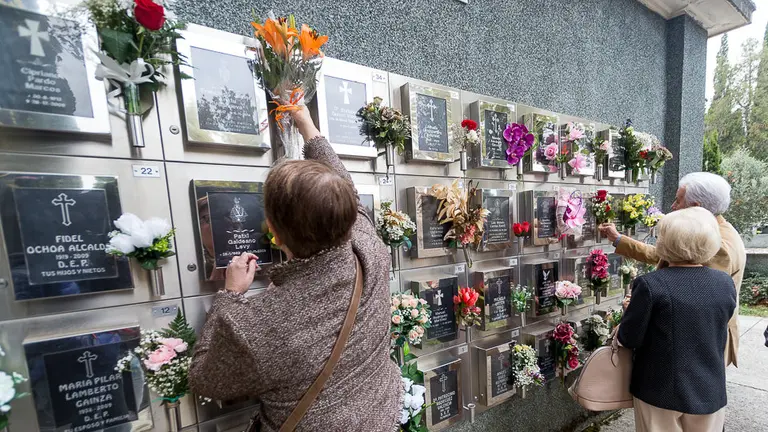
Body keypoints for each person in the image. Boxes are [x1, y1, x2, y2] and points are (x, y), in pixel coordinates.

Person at [188, 106, 402, 431]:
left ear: (272, 230)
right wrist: (306, 124)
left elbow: (206, 378)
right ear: (345, 215)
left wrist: (230, 296)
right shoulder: (369, 249)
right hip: (379, 418)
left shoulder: (263, 324)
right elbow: (345, 188)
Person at [599, 172, 745, 367]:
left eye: (678, 200)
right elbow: (665, 256)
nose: (673, 206)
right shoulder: (710, 230)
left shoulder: (719, 246)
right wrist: (619, 240)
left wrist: (642, 307)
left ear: (695, 207)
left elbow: (690, 304)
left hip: (694, 350)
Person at [618, 207, 736, 432]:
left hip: (658, 390)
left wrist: (629, 312)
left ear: (666, 242)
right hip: (709, 389)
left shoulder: (651, 284)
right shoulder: (724, 283)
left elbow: (629, 338)